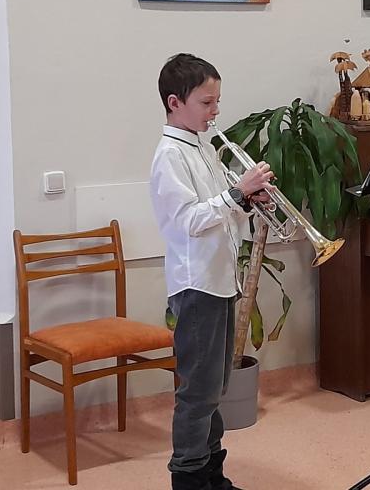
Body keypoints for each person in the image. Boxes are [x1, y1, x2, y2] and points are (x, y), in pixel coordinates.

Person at [150, 53, 275, 490]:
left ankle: (212, 475)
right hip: (196, 284)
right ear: (175, 103)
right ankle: (188, 479)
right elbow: (188, 221)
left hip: (220, 280)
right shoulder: (170, 155)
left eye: (217, 101)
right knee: (198, 393)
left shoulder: (202, 148)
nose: (215, 111)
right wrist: (238, 194)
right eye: (206, 103)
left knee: (215, 388)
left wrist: (249, 201)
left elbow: (220, 214)